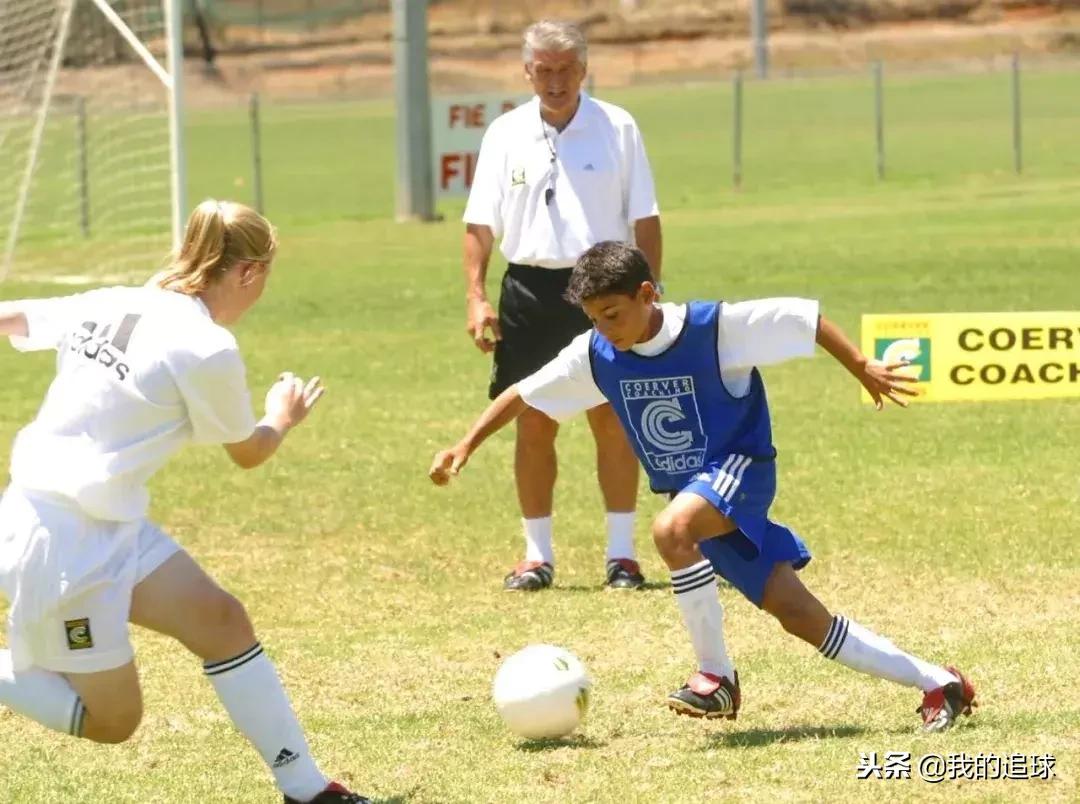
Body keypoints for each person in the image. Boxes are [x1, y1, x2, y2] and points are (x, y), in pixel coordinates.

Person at [430, 241, 978, 732]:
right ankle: (938, 683)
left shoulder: (715, 329)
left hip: (740, 470)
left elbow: (802, 317)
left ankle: (716, 679)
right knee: (800, 615)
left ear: (648, 294)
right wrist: (465, 444)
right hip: (696, 495)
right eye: (594, 318)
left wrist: (861, 365)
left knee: (671, 530)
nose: (605, 328)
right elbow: (524, 393)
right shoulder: (596, 355)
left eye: (613, 314)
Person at [0, 200, 370, 803]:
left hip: (96, 522)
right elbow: (247, 452)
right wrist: (282, 416)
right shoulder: (207, 347)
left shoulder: (119, 297)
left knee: (222, 621)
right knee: (114, 723)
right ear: (249, 272)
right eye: (265, 277)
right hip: (64, 551)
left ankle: (305, 789)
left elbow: (11, 317)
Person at [462, 19, 663, 592]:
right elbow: (479, 224)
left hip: (604, 288)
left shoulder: (617, 127)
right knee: (533, 421)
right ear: (527, 72)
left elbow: (646, 216)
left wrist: (649, 292)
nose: (554, 82)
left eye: (565, 70)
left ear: (584, 69)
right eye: (543, 71)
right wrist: (476, 298)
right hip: (529, 291)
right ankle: (536, 556)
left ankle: (622, 557)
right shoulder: (503, 133)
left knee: (613, 419)